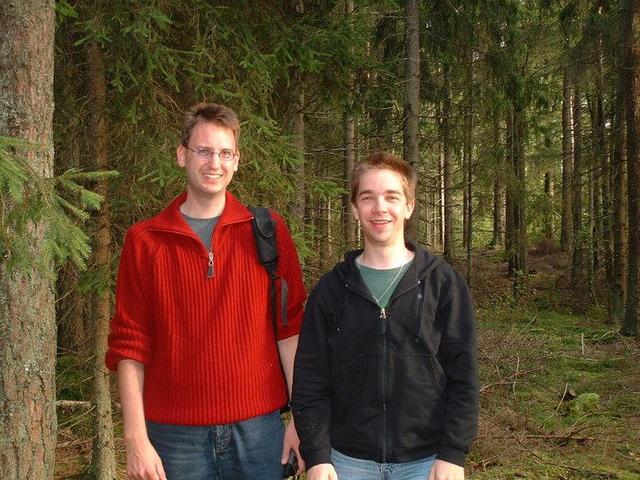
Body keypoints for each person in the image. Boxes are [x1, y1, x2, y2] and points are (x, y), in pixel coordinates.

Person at [106, 103, 306, 480]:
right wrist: (135, 439)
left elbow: (290, 330)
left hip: (260, 432)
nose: (215, 163)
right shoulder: (146, 241)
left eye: (225, 153)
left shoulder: (266, 231)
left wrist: (301, 420)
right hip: (173, 439)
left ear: (236, 159)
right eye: (204, 151)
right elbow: (129, 345)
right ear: (182, 156)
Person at [292, 152, 478, 480]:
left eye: (391, 196)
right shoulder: (332, 290)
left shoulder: (442, 283)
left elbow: (464, 377)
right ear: (354, 209)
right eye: (368, 197)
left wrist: (453, 453)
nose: (380, 207)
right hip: (347, 461)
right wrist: (318, 456)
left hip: (426, 461)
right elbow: (310, 381)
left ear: (409, 206)